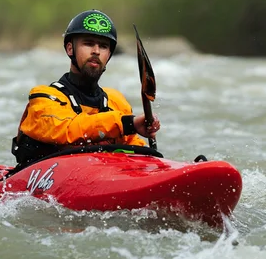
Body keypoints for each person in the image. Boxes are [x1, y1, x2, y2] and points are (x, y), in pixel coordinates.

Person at [11, 9, 160, 166]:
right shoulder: (45, 97)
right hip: (45, 179)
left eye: (103, 46)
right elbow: (67, 129)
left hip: (100, 175)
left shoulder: (116, 102)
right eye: (88, 43)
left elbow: (132, 146)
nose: (96, 51)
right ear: (70, 49)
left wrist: (154, 162)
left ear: (109, 54)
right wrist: (128, 124)